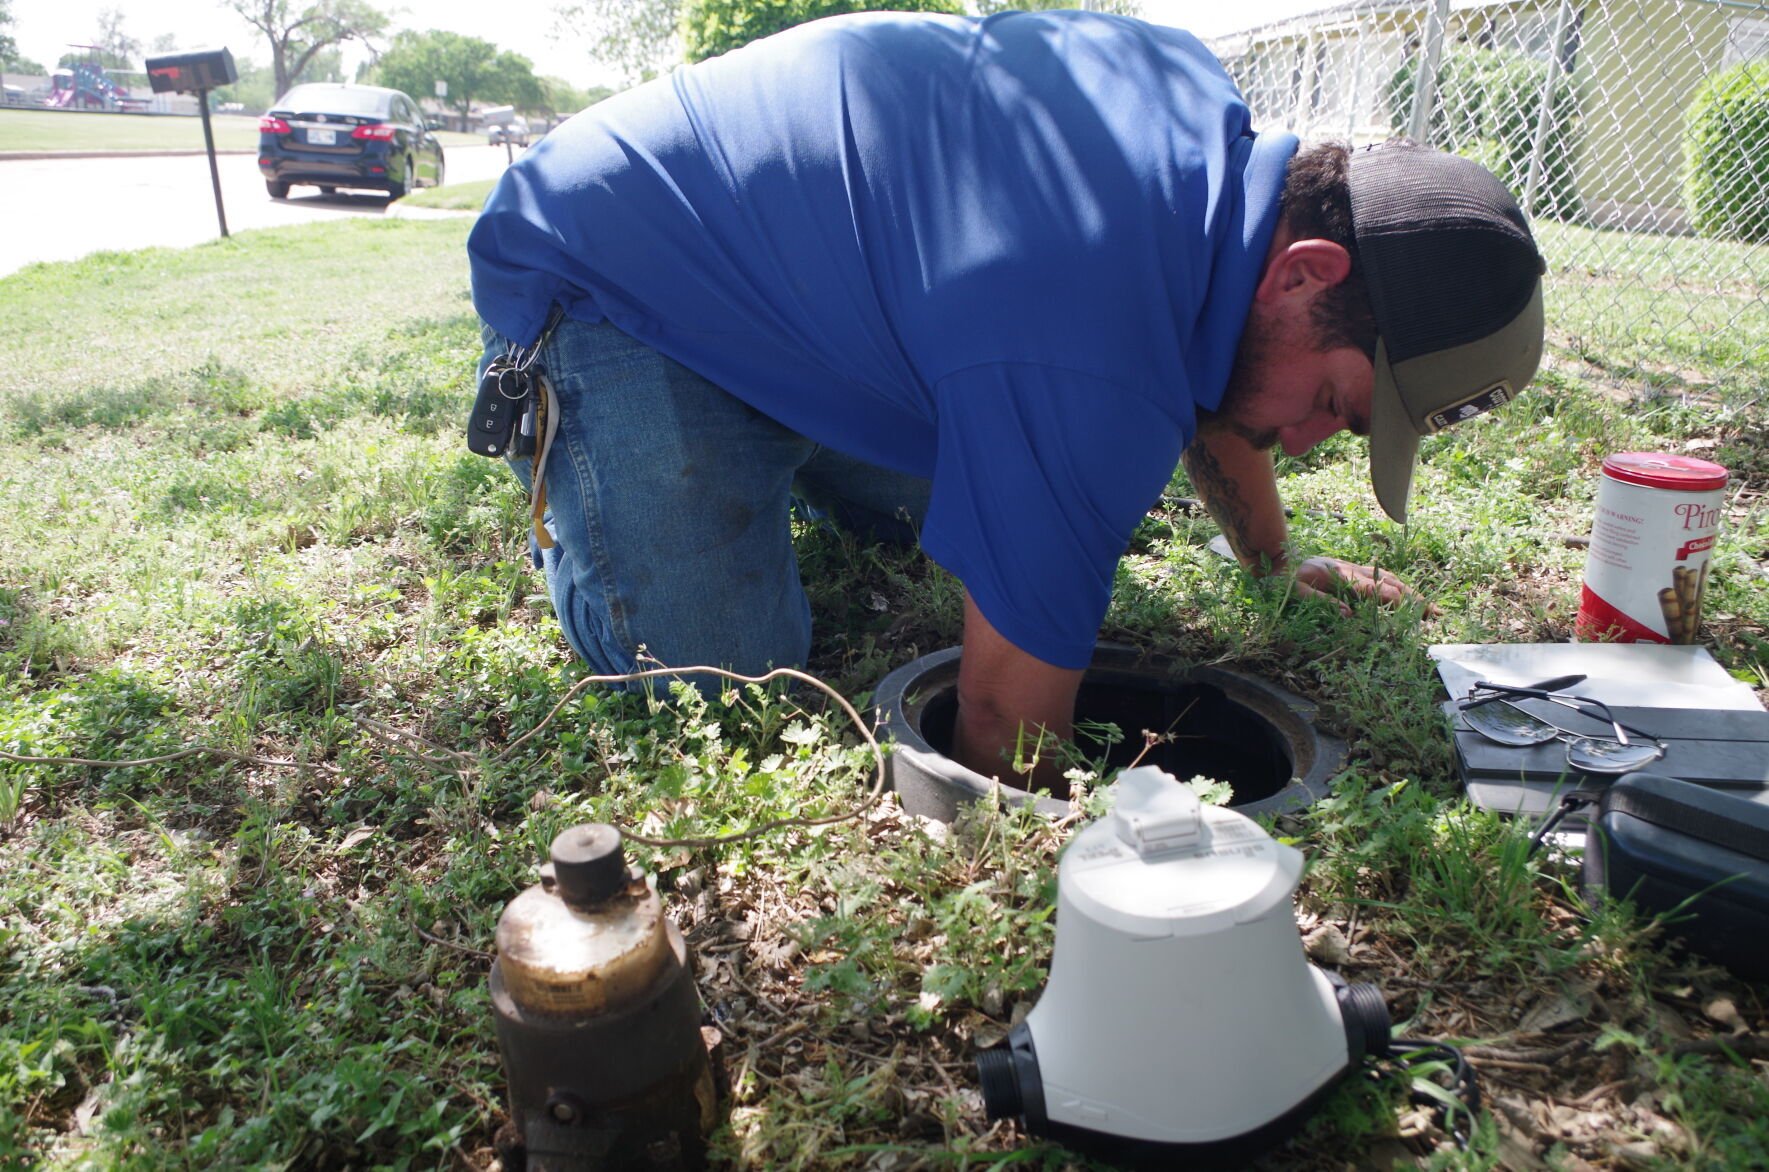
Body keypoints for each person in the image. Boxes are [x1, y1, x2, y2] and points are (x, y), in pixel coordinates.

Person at [466, 8, 1546, 781]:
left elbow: (1229, 372)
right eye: (1338, 408)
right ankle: (583, 519)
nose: (1309, 443)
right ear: (1307, 271)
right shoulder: (1085, 342)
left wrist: (1268, 560)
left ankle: (777, 433)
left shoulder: (1201, 159)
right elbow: (998, 728)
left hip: (815, 296)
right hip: (608, 278)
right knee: (726, 688)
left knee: (1002, 498)